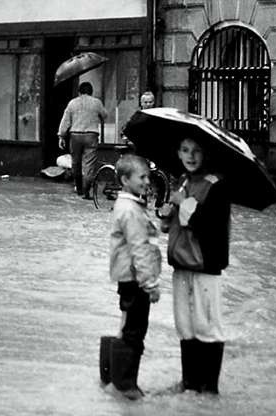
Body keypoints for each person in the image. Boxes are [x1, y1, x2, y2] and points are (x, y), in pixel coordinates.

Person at [158, 137, 230, 395]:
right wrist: (167, 216)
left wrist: (182, 203)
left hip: (205, 264)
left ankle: (209, 389)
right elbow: (178, 223)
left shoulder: (217, 185)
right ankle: (189, 383)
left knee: (207, 324)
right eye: (186, 150)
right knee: (185, 323)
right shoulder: (184, 180)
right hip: (181, 263)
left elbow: (209, 225)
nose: (191, 156)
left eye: (197, 151)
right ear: (178, 153)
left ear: (206, 154)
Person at [102, 154, 161, 400]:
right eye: (142, 177)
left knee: (126, 325)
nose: (147, 181)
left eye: (148, 176)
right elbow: (140, 248)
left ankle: (110, 377)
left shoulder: (130, 205)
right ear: (125, 180)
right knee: (134, 330)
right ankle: (124, 385)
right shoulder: (131, 210)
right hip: (135, 279)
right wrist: (150, 284)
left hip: (128, 276)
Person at [57, 81, 108, 199]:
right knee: (89, 164)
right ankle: (86, 191)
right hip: (91, 135)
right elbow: (105, 115)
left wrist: (61, 136)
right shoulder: (97, 103)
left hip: (75, 135)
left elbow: (66, 121)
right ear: (91, 92)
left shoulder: (72, 103)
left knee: (76, 162)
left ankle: (78, 188)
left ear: (79, 92)